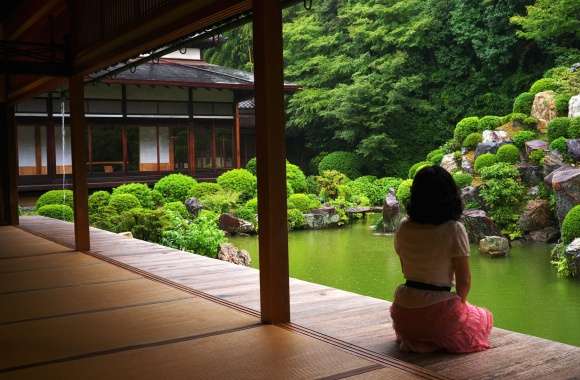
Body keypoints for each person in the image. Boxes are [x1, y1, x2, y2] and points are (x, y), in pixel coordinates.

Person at [390, 165, 493, 353]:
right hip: (439, 312)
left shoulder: (404, 226)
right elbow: (464, 281)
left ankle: (421, 340)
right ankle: (437, 337)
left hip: (404, 312)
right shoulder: (454, 229)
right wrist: (456, 307)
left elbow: (405, 264)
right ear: (450, 195)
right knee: (484, 317)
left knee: (427, 323)